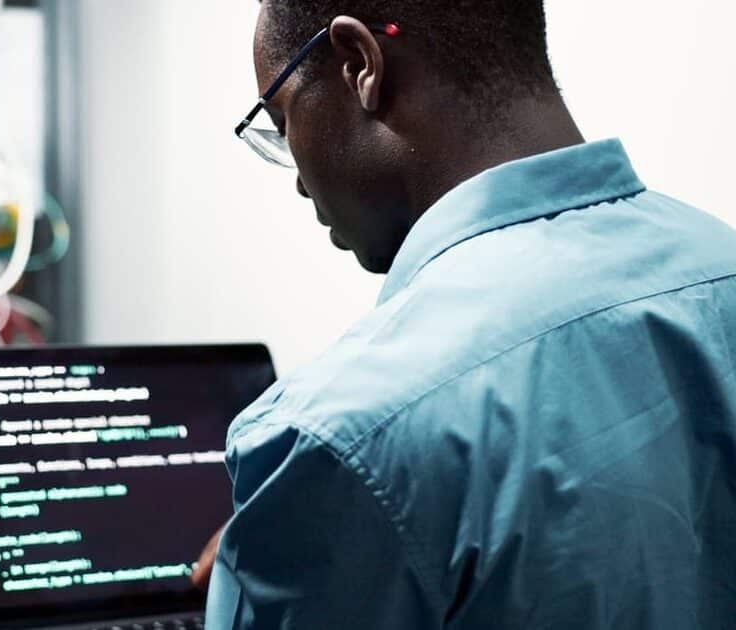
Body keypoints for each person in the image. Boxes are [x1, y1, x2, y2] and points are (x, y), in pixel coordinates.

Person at [191, 0, 736, 628]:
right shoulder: (719, 269)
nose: (297, 179)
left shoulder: (334, 435)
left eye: (282, 120)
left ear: (360, 64)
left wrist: (309, 523)